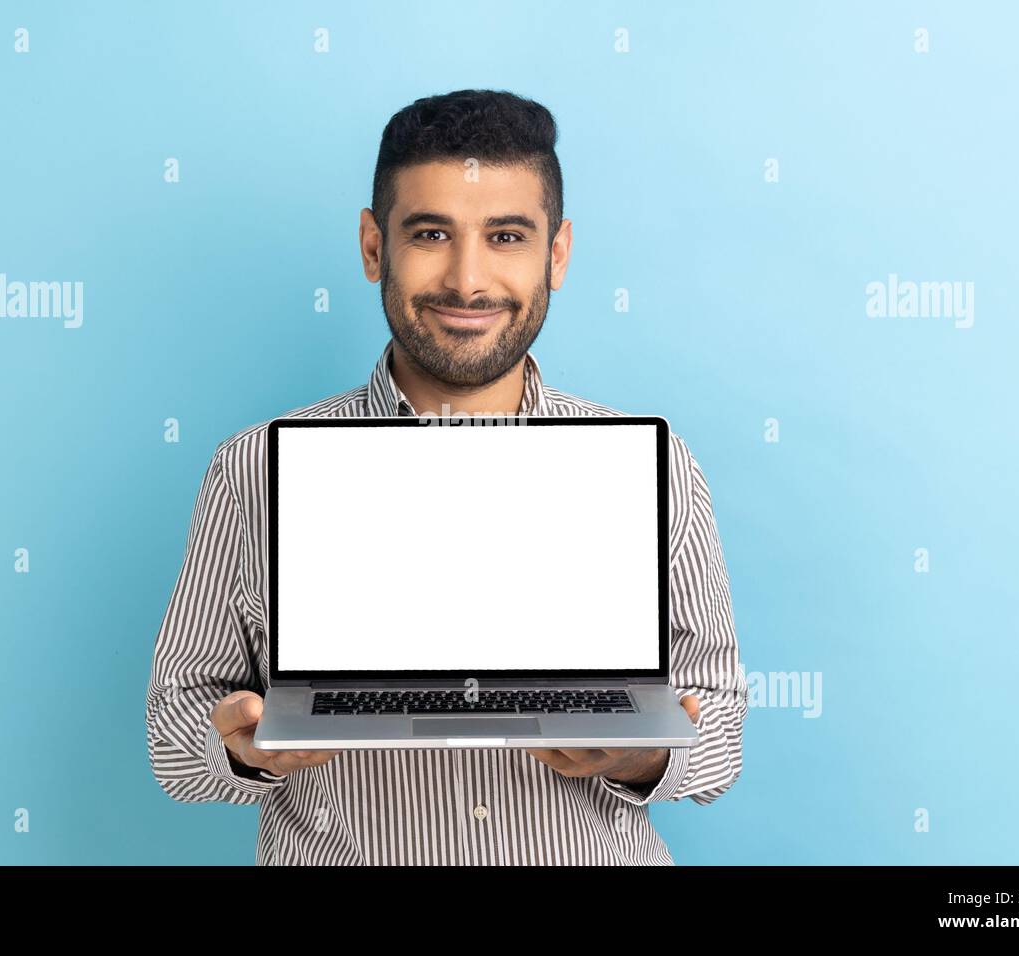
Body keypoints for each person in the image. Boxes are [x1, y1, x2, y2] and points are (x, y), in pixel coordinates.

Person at [145, 89, 746, 865]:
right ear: (373, 247)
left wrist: (646, 758)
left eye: (506, 235)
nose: (468, 280)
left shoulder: (658, 468)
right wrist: (239, 751)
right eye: (431, 233)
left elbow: (722, 728)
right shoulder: (251, 471)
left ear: (556, 254)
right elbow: (173, 738)